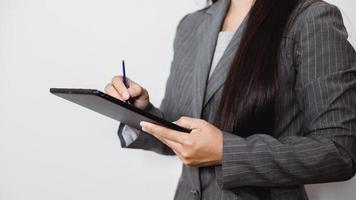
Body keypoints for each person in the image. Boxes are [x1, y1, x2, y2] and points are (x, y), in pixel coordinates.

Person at [105, 0, 356, 199]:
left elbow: (339, 151)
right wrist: (139, 111)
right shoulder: (191, 25)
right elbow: (179, 133)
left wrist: (226, 151)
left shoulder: (311, 19)